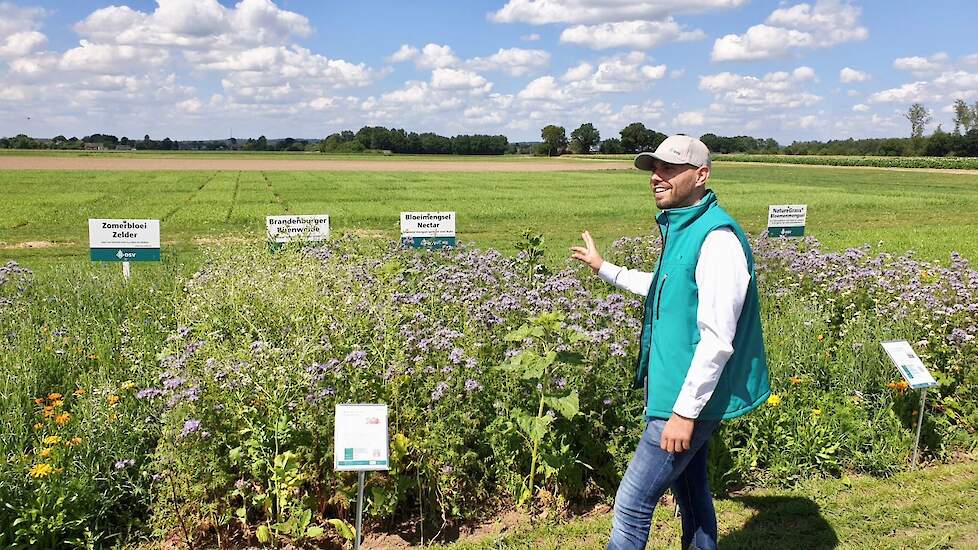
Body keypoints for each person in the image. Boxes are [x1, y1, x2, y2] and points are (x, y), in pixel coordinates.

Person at [570, 135, 770, 550]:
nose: (657, 177)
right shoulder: (685, 229)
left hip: (685, 401)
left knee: (632, 503)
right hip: (678, 394)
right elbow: (668, 287)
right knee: (692, 496)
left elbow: (718, 340)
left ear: (701, 175)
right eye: (654, 169)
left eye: (670, 169)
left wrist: (683, 413)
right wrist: (604, 268)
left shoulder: (717, 239)